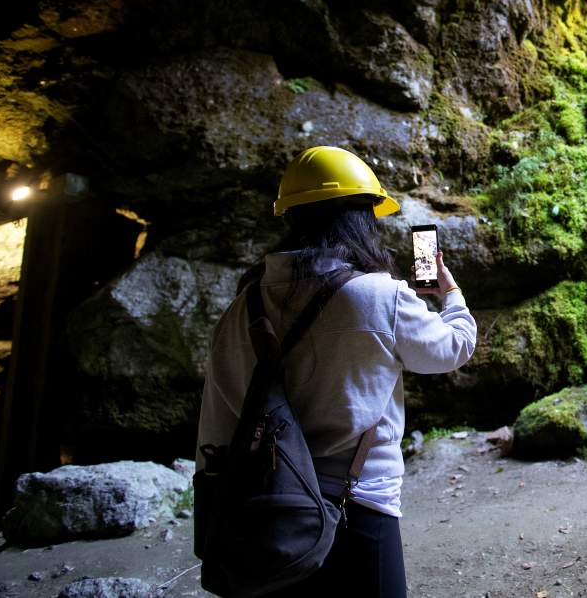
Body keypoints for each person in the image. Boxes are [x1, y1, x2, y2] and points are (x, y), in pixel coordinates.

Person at [196, 146, 477, 596]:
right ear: (361, 220)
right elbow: (453, 348)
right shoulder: (380, 296)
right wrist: (451, 293)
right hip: (358, 501)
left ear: (291, 217)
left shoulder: (241, 305)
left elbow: (218, 417)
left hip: (262, 509)